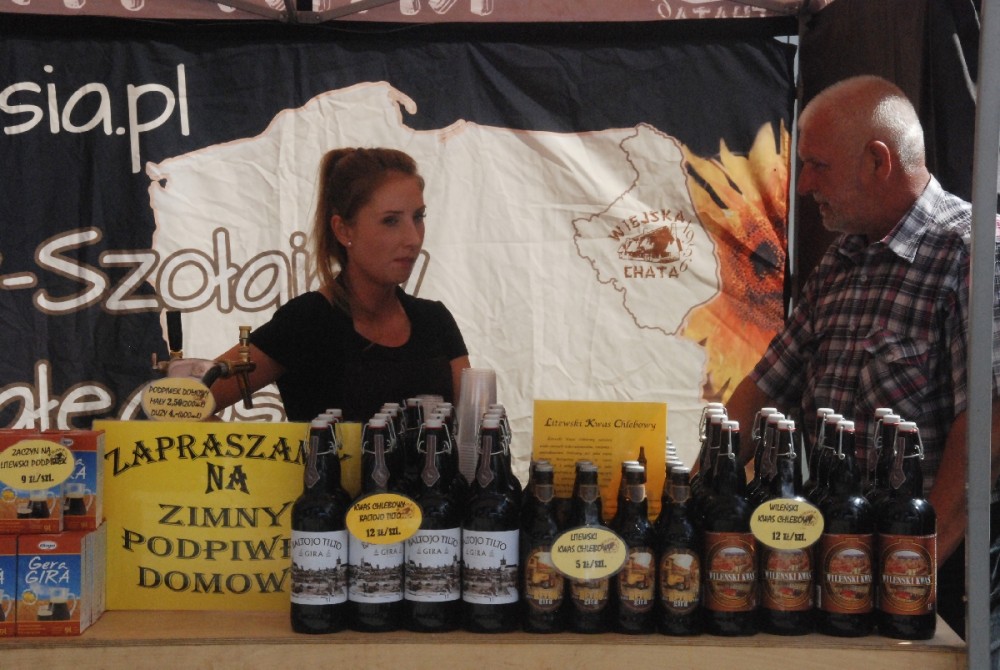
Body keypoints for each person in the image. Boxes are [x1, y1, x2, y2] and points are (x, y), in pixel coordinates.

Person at [725, 75, 1000, 639]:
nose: (804, 185)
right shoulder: (840, 263)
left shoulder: (973, 254)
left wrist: (909, 571)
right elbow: (764, 388)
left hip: (941, 578)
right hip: (834, 568)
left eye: (818, 166)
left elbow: (989, 432)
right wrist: (694, 491)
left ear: (878, 161)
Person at [210, 147, 471, 422]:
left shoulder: (434, 320)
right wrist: (249, 449)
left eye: (418, 217)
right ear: (343, 230)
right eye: (391, 221)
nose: (413, 238)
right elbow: (185, 405)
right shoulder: (306, 321)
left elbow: (472, 429)